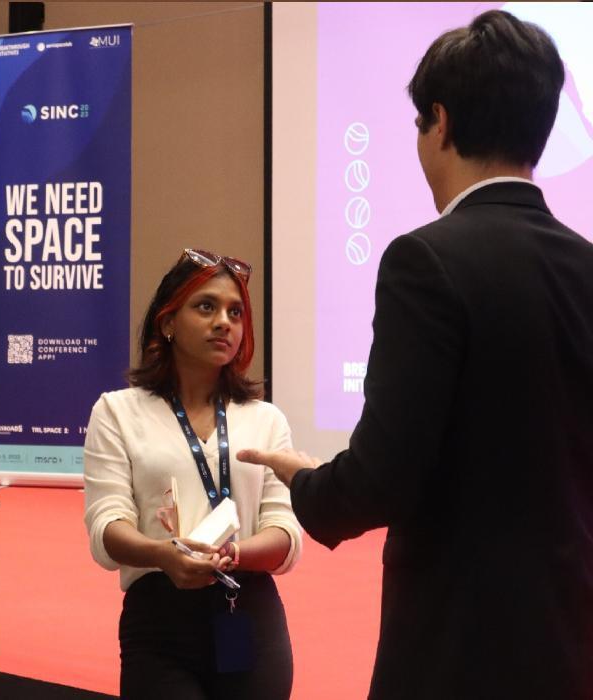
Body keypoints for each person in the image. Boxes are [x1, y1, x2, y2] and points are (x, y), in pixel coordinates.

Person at [240, 10, 593, 699]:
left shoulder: (425, 260)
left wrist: (303, 478)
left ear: (441, 122)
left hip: (458, 647)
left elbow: (378, 481)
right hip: (571, 639)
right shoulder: (587, 266)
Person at [83, 249, 302, 700]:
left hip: (250, 615)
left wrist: (233, 553)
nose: (224, 322)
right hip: (160, 621)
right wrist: (165, 555)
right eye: (206, 307)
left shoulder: (266, 419)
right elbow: (106, 527)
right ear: (167, 322)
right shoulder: (116, 411)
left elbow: (285, 535)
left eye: (235, 312)